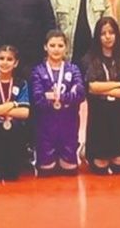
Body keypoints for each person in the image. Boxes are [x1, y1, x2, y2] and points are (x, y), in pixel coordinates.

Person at [83, 17, 120, 175]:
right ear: (97, 37)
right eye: (103, 33)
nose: (107, 37)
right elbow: (92, 87)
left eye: (111, 32)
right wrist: (118, 84)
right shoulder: (89, 59)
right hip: (99, 114)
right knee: (101, 167)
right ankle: (90, 152)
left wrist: (104, 88)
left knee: (119, 166)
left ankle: (117, 151)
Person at [30, 31, 85, 176]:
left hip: (69, 125)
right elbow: (38, 99)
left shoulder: (73, 69)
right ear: (45, 47)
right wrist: (67, 98)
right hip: (46, 126)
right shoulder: (38, 70)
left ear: (66, 48)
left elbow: (80, 95)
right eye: (52, 45)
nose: (56, 49)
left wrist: (58, 97)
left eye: (60, 45)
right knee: (46, 171)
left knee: (70, 170)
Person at [0, 45, 32, 180]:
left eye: (9, 59)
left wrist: (0, 109)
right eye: (1, 58)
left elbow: (24, 112)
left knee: (12, 175)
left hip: (15, 132)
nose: (5, 62)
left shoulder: (21, 83)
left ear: (16, 63)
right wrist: (12, 104)